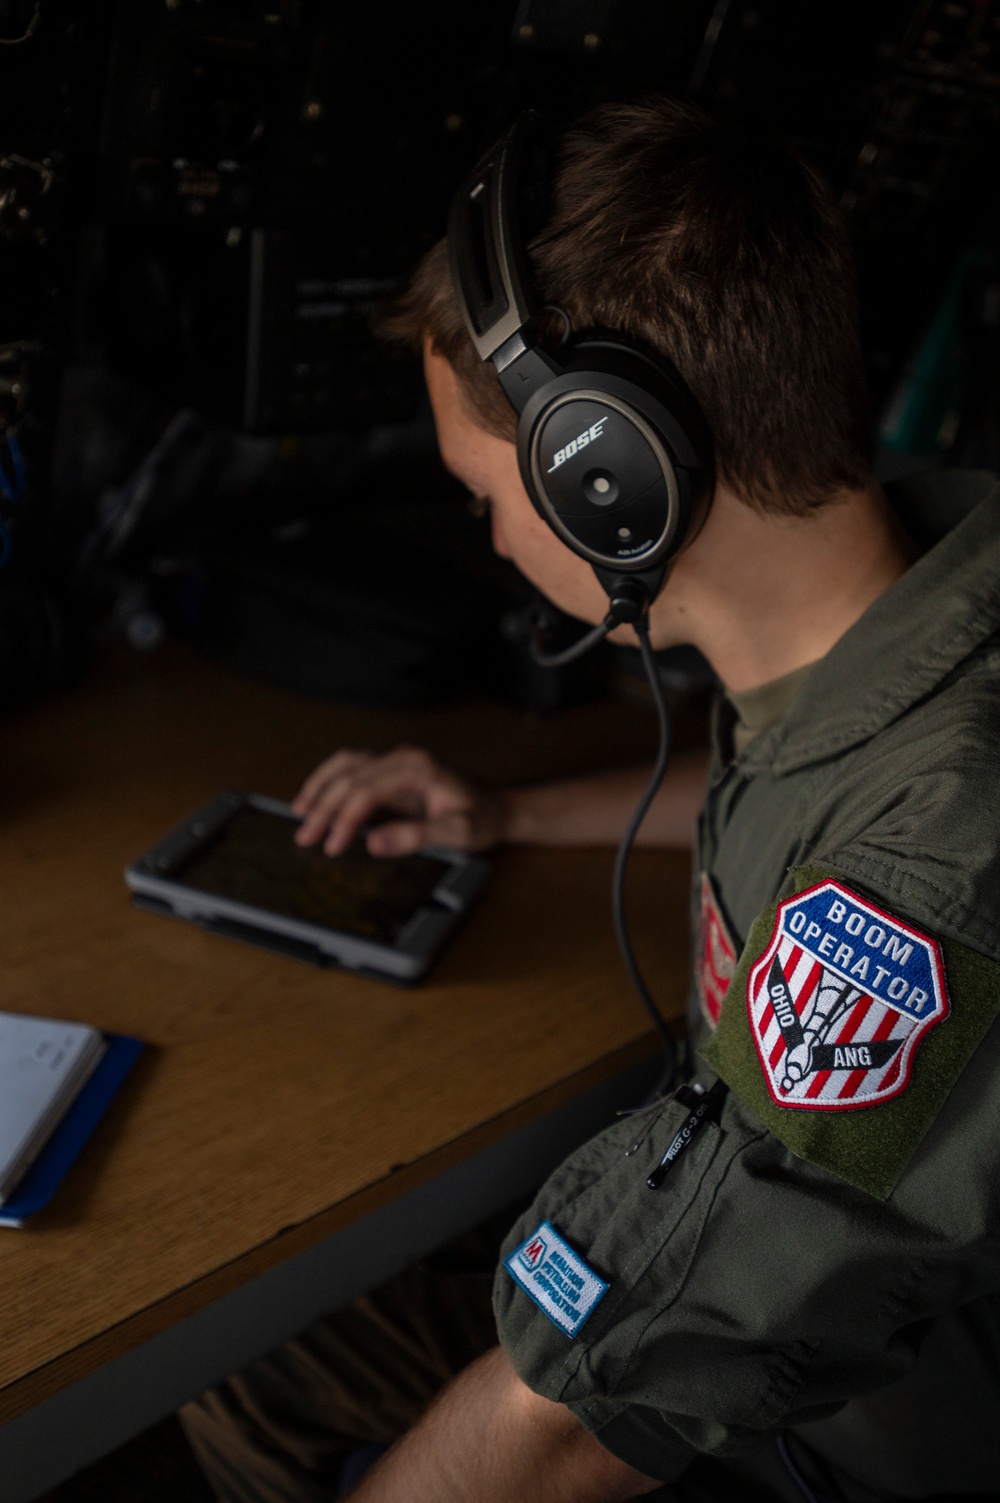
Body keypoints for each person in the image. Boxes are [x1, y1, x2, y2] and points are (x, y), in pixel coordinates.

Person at [181, 96, 1000, 1503]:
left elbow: (580, 1418)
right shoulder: (909, 607)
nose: (492, 534)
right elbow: (807, 775)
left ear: (610, 482)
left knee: (252, 1381)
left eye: (485, 491)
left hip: (831, 1444)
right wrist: (507, 818)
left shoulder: (933, 864)